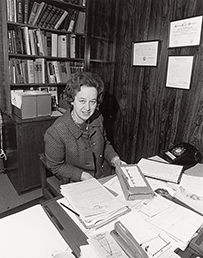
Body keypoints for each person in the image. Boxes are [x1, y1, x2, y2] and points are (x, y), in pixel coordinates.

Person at [44, 72, 125, 183]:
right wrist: (83, 175)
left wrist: (115, 159)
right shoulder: (56, 132)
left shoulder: (98, 117)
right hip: (78, 182)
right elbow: (56, 167)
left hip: (103, 175)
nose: (87, 108)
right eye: (82, 101)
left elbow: (105, 143)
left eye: (92, 102)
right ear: (72, 100)